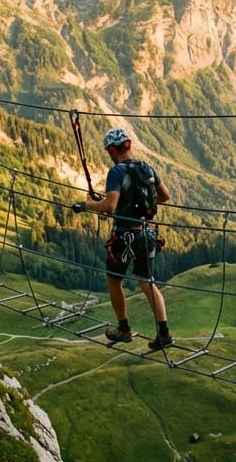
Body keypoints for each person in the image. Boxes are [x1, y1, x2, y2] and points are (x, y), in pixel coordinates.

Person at [71, 127, 174, 350]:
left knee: (113, 280)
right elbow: (164, 196)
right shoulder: (146, 167)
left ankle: (124, 328)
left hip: (125, 235)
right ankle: (164, 333)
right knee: (147, 282)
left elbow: (109, 205)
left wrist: (84, 205)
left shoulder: (117, 172)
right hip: (148, 232)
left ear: (112, 150)